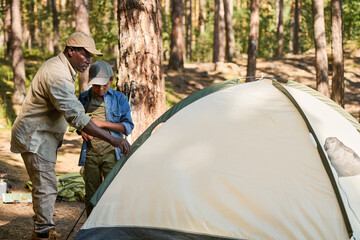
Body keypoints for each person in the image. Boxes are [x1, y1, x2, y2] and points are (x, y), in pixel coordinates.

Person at [10, 32, 131, 240]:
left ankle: (43, 230)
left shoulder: (65, 69)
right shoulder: (57, 74)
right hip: (35, 138)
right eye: (85, 55)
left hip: (43, 138)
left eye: (91, 57)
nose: (88, 61)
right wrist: (113, 139)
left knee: (46, 187)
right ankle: (43, 235)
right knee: (46, 188)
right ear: (71, 51)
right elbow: (75, 114)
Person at [77, 60, 134, 216]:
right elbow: (76, 122)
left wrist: (101, 124)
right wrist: (82, 131)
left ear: (111, 80)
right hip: (90, 154)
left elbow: (127, 126)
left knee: (111, 194)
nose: (101, 89)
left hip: (112, 153)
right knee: (91, 195)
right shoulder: (84, 98)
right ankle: (91, 229)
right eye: (96, 85)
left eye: (104, 85)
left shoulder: (119, 99)